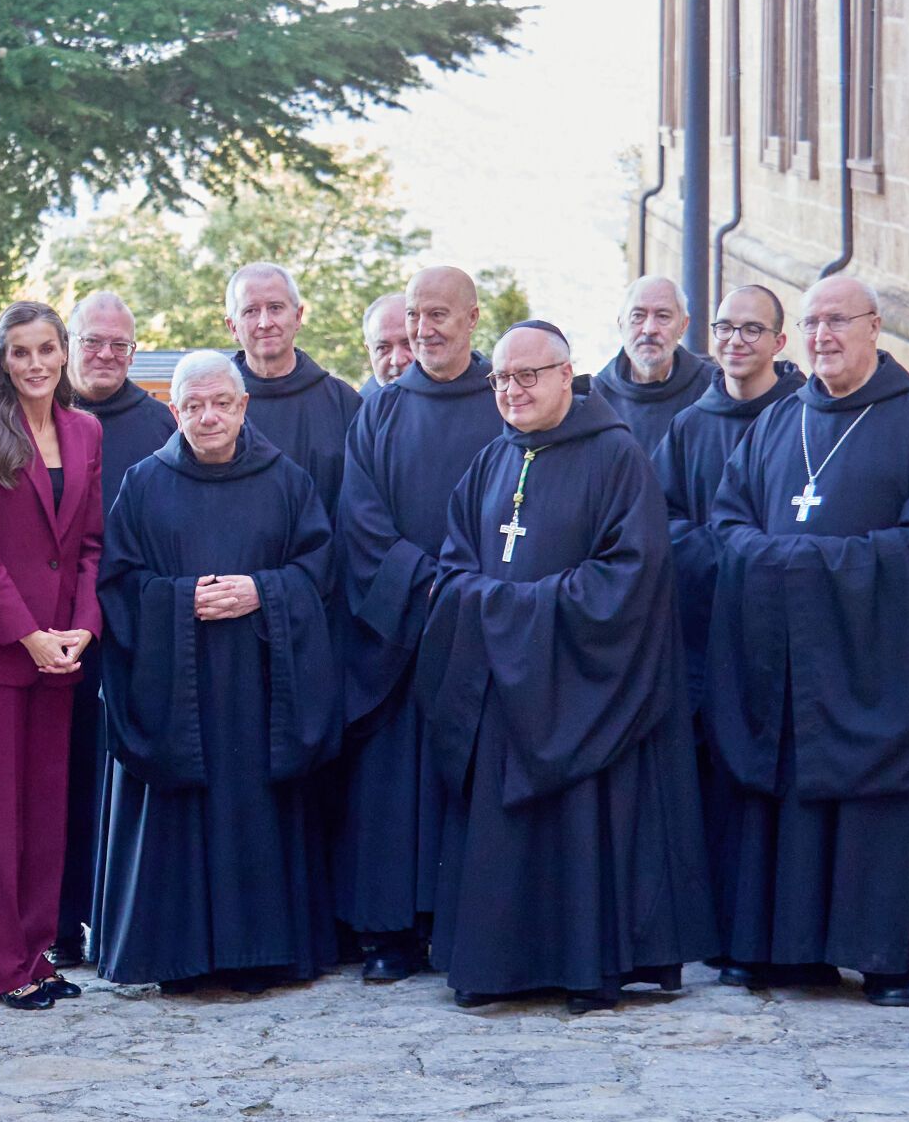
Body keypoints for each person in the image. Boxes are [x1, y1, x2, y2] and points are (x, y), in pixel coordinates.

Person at [418, 321, 717, 1013]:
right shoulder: (492, 460)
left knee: (585, 823)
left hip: (589, 689)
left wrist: (514, 610)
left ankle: (588, 968)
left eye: (529, 375)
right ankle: (497, 965)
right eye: (502, 378)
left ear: (566, 374)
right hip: (505, 687)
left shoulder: (617, 457)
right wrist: (495, 607)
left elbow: (632, 574)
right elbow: (454, 562)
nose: (514, 390)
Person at [706, 275, 909, 1005]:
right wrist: (775, 558)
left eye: (838, 321)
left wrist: (807, 564)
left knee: (875, 802)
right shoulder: (778, 423)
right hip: (782, 655)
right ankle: (778, 950)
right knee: (777, 794)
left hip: (879, 657)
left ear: (877, 328)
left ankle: (884, 960)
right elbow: (727, 521)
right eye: (811, 323)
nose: (822, 336)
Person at [96, 351, 342, 992]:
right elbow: (118, 583)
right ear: (173, 411)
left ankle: (266, 953)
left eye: (222, 404)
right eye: (194, 406)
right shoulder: (143, 484)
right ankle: (177, 957)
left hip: (262, 689)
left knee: (258, 813)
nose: (209, 417)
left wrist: (264, 591)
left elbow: (320, 569)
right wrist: (178, 600)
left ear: (243, 407)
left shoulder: (285, 480)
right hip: (176, 689)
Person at [335, 266, 502, 983]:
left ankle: (472, 922)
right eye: (414, 314)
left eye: (439, 314)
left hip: (491, 626)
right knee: (393, 781)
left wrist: (480, 594)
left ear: (472, 319)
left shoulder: (508, 399)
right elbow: (361, 520)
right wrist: (431, 584)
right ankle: (393, 933)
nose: (424, 329)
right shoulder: (380, 409)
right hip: (404, 630)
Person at [0, 301, 104, 1010]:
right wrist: (30, 633)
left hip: (63, 654)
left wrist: (81, 629)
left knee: (46, 812)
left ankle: (37, 955)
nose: (35, 364)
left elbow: (93, 545)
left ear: (64, 352)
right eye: (20, 352)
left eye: (47, 349)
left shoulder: (87, 430)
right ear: (0, 359)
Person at [652, 288, 803, 909]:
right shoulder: (690, 424)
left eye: (751, 330)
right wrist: (732, 554)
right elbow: (659, 518)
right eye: (724, 329)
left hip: (784, 628)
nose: (735, 342)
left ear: (777, 342)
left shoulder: (803, 418)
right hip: (708, 624)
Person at [65, 292, 176, 966]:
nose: (105, 355)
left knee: (118, 781)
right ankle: (52, 921)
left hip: (131, 629)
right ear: (70, 341)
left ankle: (119, 912)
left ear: (135, 352)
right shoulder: (38, 414)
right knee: (54, 782)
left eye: (119, 346)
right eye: (93, 342)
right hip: (49, 635)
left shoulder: (162, 423)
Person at [224, 261, 359, 515]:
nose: (265, 322)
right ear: (232, 326)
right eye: (251, 311)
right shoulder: (213, 405)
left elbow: (358, 503)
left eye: (275, 308)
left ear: (297, 316)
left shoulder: (344, 403)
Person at [595, 275, 710, 458]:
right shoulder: (594, 400)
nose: (649, 329)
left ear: (683, 325)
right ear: (621, 324)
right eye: (638, 316)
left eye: (663, 316)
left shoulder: (712, 391)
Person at [359, 293, 414, 401]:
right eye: (383, 348)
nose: (397, 360)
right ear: (369, 351)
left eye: (409, 344)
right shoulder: (356, 412)